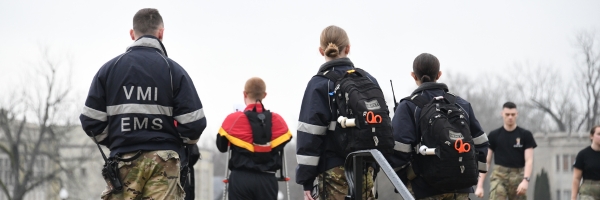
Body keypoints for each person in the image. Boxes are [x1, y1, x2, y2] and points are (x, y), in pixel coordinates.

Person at [79, 8, 206, 199]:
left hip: (123, 160)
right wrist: (172, 141)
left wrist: (117, 140)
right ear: (161, 33)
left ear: (132, 34)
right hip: (165, 162)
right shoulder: (174, 71)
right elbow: (194, 124)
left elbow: (91, 122)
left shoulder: (109, 70)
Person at [296, 25, 380, 200]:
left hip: (333, 172)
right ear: (348, 49)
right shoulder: (369, 80)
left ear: (321, 51)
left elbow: (309, 136)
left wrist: (306, 181)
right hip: (366, 168)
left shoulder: (319, 84)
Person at [392, 53, 489, 200]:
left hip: (425, 189)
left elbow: (398, 151)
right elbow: (481, 143)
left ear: (413, 76)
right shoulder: (461, 104)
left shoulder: (408, 106)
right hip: (462, 189)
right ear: (439, 74)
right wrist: (470, 172)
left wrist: (407, 178)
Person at [216, 77, 292, 200]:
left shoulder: (233, 120)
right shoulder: (278, 121)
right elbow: (283, 143)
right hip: (267, 180)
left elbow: (222, 147)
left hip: (241, 178)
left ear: (244, 94)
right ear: (264, 95)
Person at [477, 102, 537, 200]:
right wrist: (480, 185)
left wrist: (526, 180)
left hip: (518, 176)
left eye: (513, 114)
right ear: (502, 114)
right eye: (507, 114)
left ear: (517, 114)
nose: (510, 117)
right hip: (499, 176)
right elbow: (486, 162)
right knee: (496, 195)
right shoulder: (494, 135)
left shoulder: (525, 135)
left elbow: (529, 160)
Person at [571, 125, 600, 200]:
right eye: (599, 134)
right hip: (588, 191)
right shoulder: (583, 155)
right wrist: (573, 197)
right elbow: (576, 178)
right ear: (591, 136)